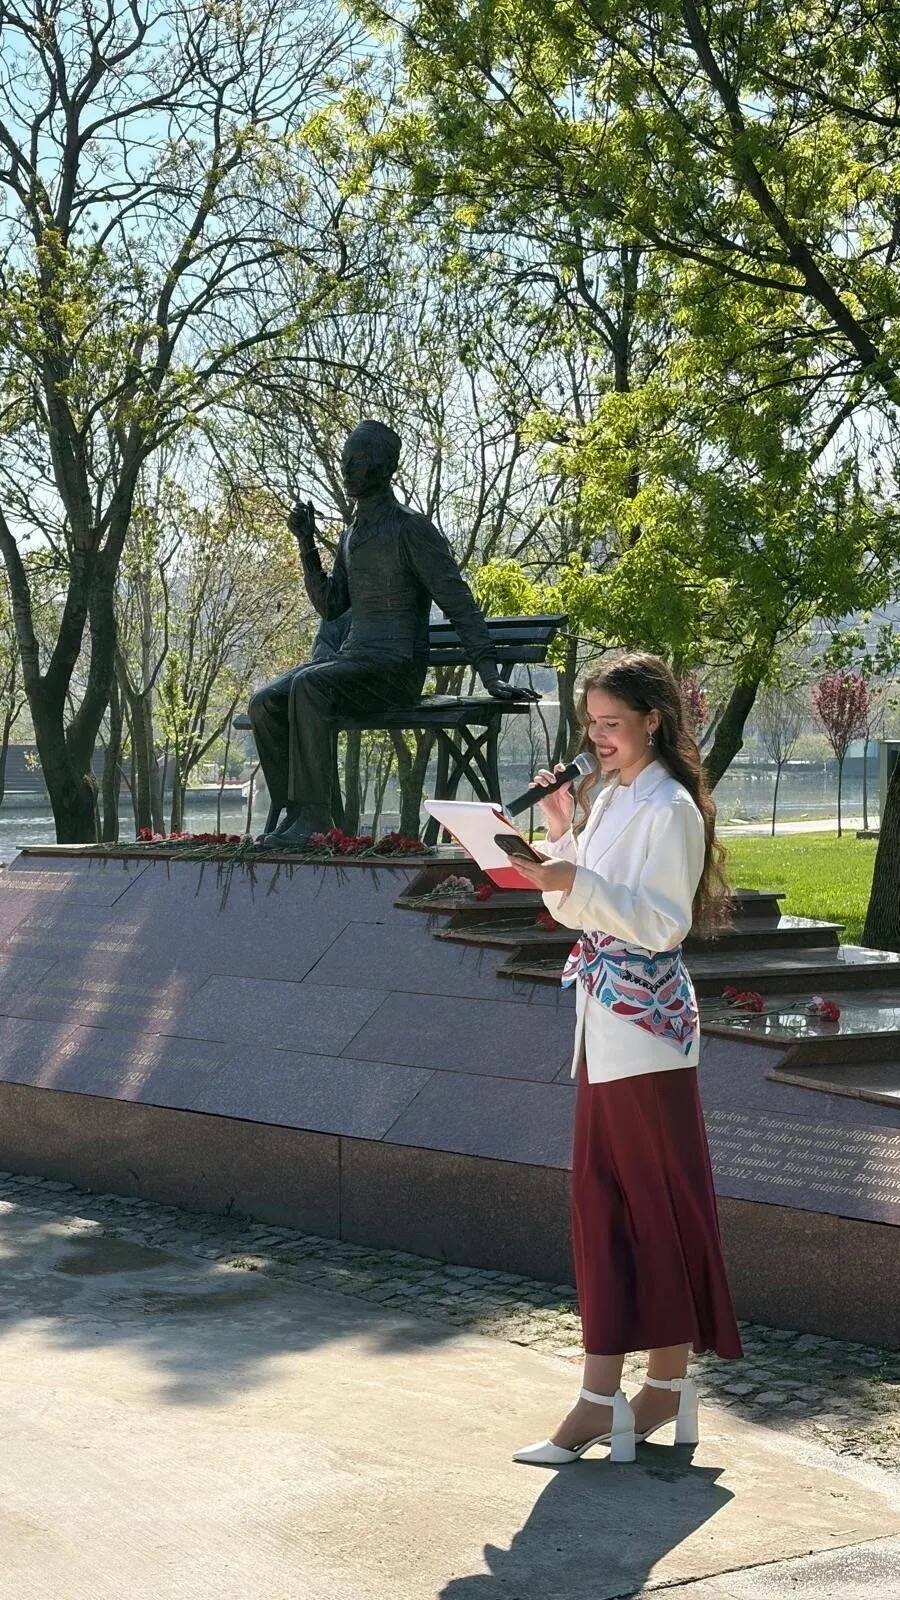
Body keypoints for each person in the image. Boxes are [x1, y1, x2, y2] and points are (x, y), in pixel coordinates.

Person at [510, 652, 743, 1465]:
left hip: (646, 1031)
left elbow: (662, 922)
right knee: (607, 1208)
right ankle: (623, 1393)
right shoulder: (612, 797)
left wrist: (573, 877)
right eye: (591, 725)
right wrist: (558, 835)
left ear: (653, 720)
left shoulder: (671, 807)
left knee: (650, 1208)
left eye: (612, 724)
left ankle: (640, 1391)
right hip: (607, 1024)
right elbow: (582, 902)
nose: (598, 738)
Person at [249, 419, 536, 849]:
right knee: (265, 701)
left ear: (385, 466)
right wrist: (306, 544)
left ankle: (315, 818)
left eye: (359, 460)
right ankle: (297, 814)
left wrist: (490, 673)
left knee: (309, 685)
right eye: (345, 460)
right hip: (353, 664)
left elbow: (457, 601)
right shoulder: (352, 535)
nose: (347, 468)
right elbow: (331, 605)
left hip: (395, 670)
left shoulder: (410, 529)